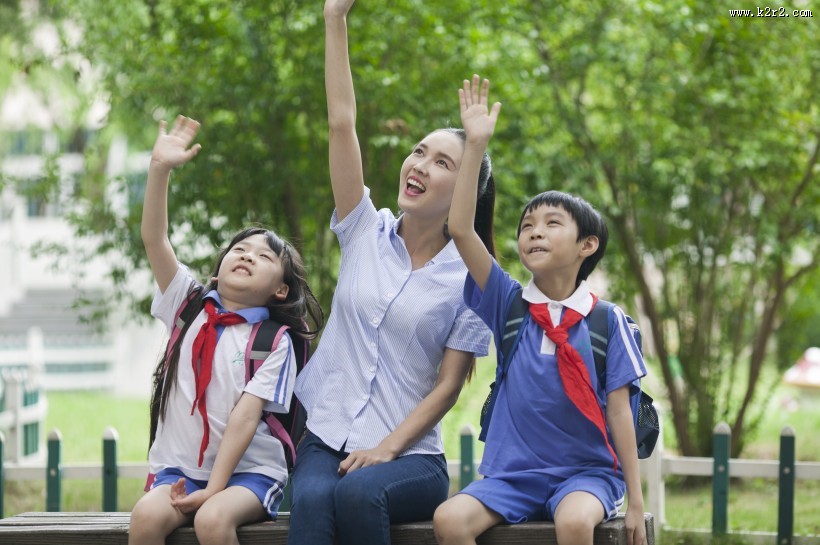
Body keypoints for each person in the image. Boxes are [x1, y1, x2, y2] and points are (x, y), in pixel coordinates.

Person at [285, 2, 495, 544]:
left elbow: (449, 387)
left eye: (442, 163)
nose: (420, 166)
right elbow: (341, 123)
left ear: (465, 186)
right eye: (419, 151)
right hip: (326, 434)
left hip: (412, 457)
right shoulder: (363, 232)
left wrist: (387, 448)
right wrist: (335, 19)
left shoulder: (469, 280)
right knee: (311, 499)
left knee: (359, 491)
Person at [432, 76, 648, 545]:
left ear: (586, 246)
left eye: (553, 223)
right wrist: (475, 147)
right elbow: (461, 229)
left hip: (587, 474)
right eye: (527, 224)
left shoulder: (605, 321)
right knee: (449, 520)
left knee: (573, 523)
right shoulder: (509, 303)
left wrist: (636, 501)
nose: (534, 232)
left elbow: (620, 412)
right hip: (512, 475)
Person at [130, 116, 323, 545]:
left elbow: (245, 417)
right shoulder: (188, 304)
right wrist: (159, 170)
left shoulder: (275, 341)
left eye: (264, 257)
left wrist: (214, 490)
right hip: (179, 470)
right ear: (218, 270)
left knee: (213, 521)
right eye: (240, 249)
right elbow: (154, 239)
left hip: (247, 474)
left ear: (280, 289)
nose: (248, 256)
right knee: (145, 518)